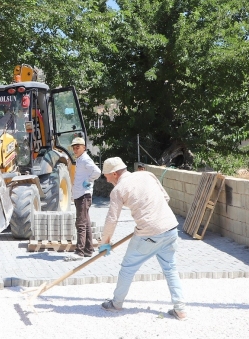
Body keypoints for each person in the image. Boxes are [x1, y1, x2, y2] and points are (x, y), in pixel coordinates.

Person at [98, 157, 187, 320]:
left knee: (127, 268)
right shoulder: (147, 175)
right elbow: (165, 198)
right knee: (170, 268)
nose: (106, 179)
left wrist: (105, 242)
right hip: (171, 228)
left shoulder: (118, 190)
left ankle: (116, 303)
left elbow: (112, 219)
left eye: (106, 175)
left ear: (115, 174)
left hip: (148, 234)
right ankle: (180, 309)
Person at [70, 137, 101, 258]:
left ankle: (80, 251)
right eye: (74, 147)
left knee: (81, 223)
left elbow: (97, 171)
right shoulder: (79, 159)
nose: (75, 150)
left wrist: (88, 180)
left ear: (84, 147)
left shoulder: (85, 159)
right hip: (80, 194)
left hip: (83, 195)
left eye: (78, 147)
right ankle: (88, 249)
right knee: (86, 223)